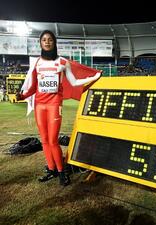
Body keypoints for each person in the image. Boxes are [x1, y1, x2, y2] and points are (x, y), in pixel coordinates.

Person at [16, 30, 101, 186]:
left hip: (54, 105)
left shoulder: (62, 62)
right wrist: (23, 96)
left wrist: (93, 77)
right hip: (40, 105)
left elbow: (74, 82)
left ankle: (62, 172)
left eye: (50, 39)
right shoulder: (36, 63)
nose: (47, 42)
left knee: (53, 140)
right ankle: (51, 169)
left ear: (54, 43)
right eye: (44, 40)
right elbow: (34, 87)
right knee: (45, 141)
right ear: (40, 43)